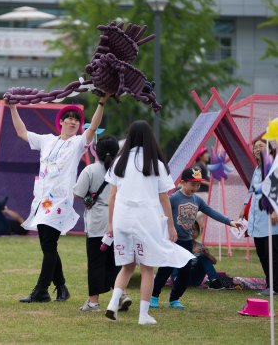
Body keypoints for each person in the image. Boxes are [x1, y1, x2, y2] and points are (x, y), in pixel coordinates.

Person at [8, 94, 109, 303]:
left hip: (60, 202)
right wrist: (12, 108)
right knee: (48, 246)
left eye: (76, 119)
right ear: (61, 121)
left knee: (49, 243)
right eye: (69, 118)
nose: (73, 121)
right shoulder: (47, 140)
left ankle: (41, 290)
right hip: (42, 200)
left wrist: (101, 103)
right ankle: (61, 286)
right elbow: (21, 132)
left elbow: (91, 130)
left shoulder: (77, 143)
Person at [104, 120, 194, 325]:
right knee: (147, 268)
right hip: (146, 220)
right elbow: (164, 198)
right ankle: (143, 315)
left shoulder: (119, 161)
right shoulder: (156, 164)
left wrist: (110, 225)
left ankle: (112, 303)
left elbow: (112, 197)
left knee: (127, 267)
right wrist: (171, 226)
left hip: (122, 220)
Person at [150, 166, 242, 309]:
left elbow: (211, 212)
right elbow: (160, 211)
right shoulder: (174, 198)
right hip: (172, 240)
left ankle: (174, 299)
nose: (196, 187)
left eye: (198, 184)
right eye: (193, 184)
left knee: (185, 272)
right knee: (165, 270)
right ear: (182, 182)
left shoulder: (197, 200)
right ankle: (154, 296)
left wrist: (230, 222)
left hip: (187, 242)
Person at [73, 136, 131, 313]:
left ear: (96, 152)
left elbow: (78, 193)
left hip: (97, 223)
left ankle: (93, 303)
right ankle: (122, 295)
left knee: (96, 263)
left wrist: (90, 197)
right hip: (118, 221)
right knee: (116, 262)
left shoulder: (90, 170)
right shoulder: (122, 171)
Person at [240, 139, 278, 296]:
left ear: (269, 149)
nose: (257, 149)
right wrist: (243, 207)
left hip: (271, 219)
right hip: (257, 219)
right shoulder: (257, 169)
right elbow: (251, 190)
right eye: (255, 147)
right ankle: (270, 284)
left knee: (272, 255)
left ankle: (274, 287)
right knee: (262, 254)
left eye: (261, 146)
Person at [188, 222, 224, 289]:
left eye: (195, 229)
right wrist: (192, 251)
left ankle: (214, 281)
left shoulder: (200, 246)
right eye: (190, 229)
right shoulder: (180, 244)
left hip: (196, 277)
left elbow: (214, 262)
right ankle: (176, 280)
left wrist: (208, 254)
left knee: (203, 256)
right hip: (182, 276)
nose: (192, 232)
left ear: (198, 232)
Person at [193, 147, 210, 229]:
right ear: (200, 156)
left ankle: (202, 230)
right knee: (207, 210)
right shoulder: (198, 165)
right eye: (205, 153)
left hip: (203, 191)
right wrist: (209, 183)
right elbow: (196, 177)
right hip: (201, 192)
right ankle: (190, 218)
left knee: (204, 212)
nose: (208, 155)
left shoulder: (203, 165)